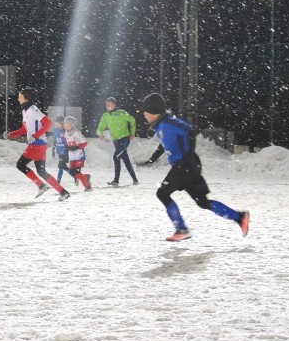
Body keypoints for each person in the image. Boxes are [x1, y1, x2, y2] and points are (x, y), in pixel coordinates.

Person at [141, 92, 250, 242]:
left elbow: (190, 131)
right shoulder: (160, 125)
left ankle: (182, 229)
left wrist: (187, 157)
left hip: (185, 166)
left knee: (162, 193)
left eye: (146, 111)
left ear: (154, 111)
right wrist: (152, 160)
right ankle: (240, 217)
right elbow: (164, 145)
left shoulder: (168, 123)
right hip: (186, 166)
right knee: (203, 202)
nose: (144, 114)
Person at [4, 86, 70, 201]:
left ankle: (41, 185)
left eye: (20, 96)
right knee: (41, 171)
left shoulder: (33, 109)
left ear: (27, 98)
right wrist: (11, 134)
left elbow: (48, 123)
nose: (18, 98)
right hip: (40, 144)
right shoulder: (25, 111)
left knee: (20, 165)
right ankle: (63, 192)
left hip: (37, 144)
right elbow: (24, 129)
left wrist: (35, 135)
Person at [96, 97, 138, 186]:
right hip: (116, 140)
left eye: (109, 104)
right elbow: (101, 125)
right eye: (106, 105)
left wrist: (132, 133)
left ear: (114, 105)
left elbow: (132, 120)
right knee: (125, 159)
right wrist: (100, 133)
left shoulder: (122, 113)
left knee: (116, 157)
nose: (107, 106)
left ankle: (116, 180)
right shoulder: (105, 115)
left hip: (125, 139)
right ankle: (134, 179)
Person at [63, 116, 91, 191]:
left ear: (70, 124)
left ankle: (87, 187)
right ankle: (86, 177)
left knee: (77, 171)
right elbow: (66, 143)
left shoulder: (76, 132)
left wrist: (77, 147)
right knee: (72, 172)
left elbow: (85, 143)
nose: (64, 124)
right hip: (72, 155)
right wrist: (66, 149)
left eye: (65, 122)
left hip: (79, 155)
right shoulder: (65, 133)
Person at [52, 115, 69, 184]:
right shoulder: (55, 130)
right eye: (55, 122)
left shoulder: (65, 131)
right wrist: (53, 150)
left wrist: (67, 151)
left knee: (61, 166)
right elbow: (54, 140)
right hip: (59, 151)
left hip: (65, 152)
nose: (55, 123)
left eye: (57, 122)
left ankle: (58, 182)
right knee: (63, 166)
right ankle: (77, 176)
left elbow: (68, 141)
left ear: (61, 123)